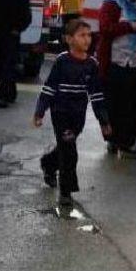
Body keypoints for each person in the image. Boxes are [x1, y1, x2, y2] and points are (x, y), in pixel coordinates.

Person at [34, 19, 111, 207]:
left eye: (89, 35)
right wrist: (40, 110)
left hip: (78, 116)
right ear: (69, 39)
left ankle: (49, 163)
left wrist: (104, 121)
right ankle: (66, 192)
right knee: (70, 152)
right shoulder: (62, 61)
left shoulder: (92, 64)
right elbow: (49, 88)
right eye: (82, 35)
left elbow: (96, 95)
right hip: (61, 113)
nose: (87, 40)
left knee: (65, 146)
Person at [97, 0, 136, 159]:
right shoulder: (112, 4)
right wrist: (130, 27)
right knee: (116, 105)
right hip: (115, 62)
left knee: (130, 105)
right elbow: (105, 28)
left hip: (134, 61)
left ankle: (124, 142)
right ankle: (116, 141)